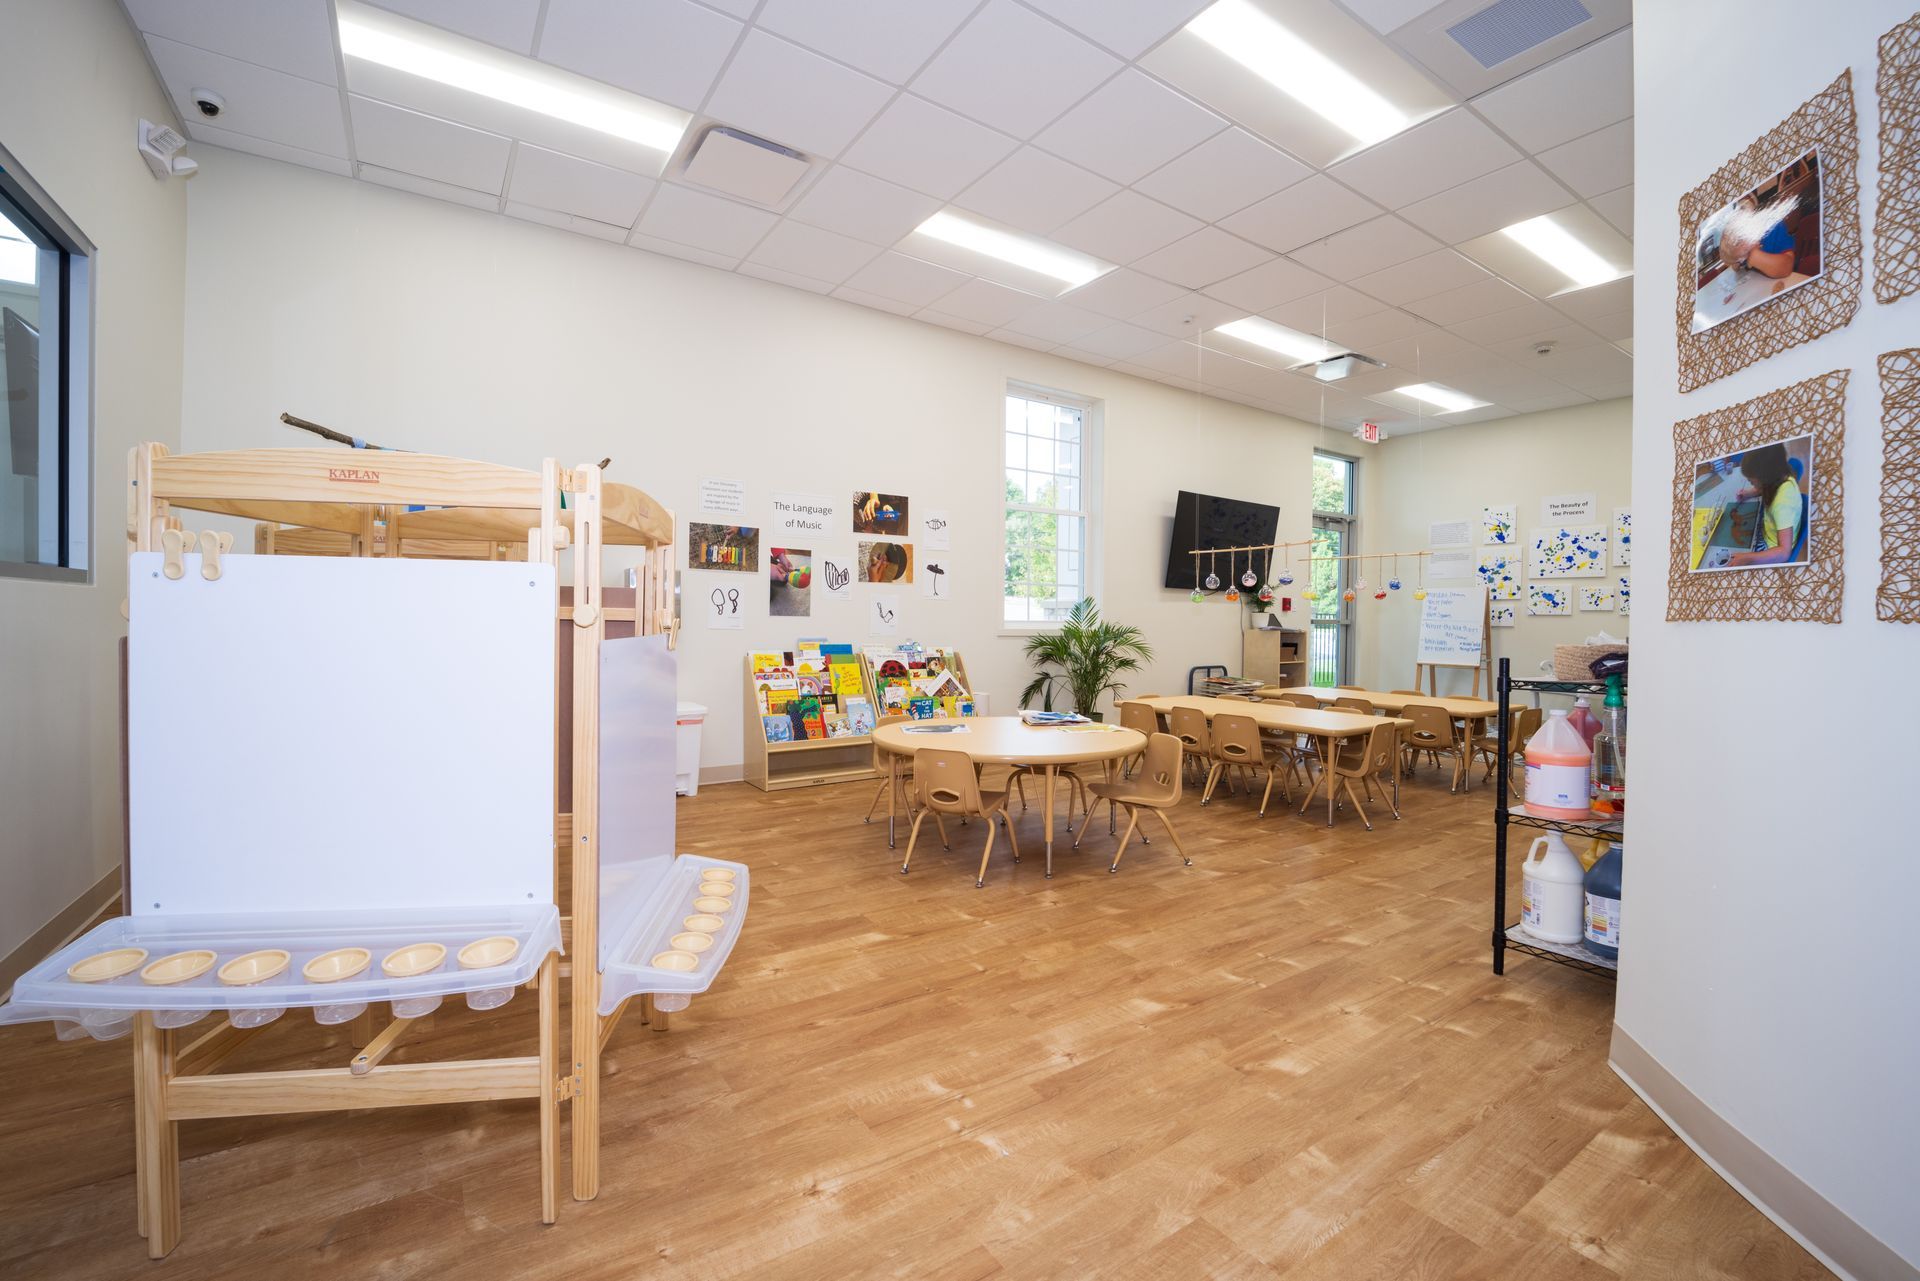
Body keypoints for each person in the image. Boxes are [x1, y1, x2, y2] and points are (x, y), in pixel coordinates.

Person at [1726, 442, 1803, 566]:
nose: (1749, 482)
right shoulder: (1781, 476)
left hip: (1772, 546)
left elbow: (1784, 552)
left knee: (1734, 557)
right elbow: (1767, 487)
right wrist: (1749, 493)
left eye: (1751, 480)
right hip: (1770, 528)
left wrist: (1748, 558)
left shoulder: (1783, 504)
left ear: (1765, 477)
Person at [1717, 196, 1797, 279]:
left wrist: (1755, 256)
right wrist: (1736, 260)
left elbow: (1787, 268)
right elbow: (1736, 266)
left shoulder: (1774, 226)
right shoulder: (1742, 246)